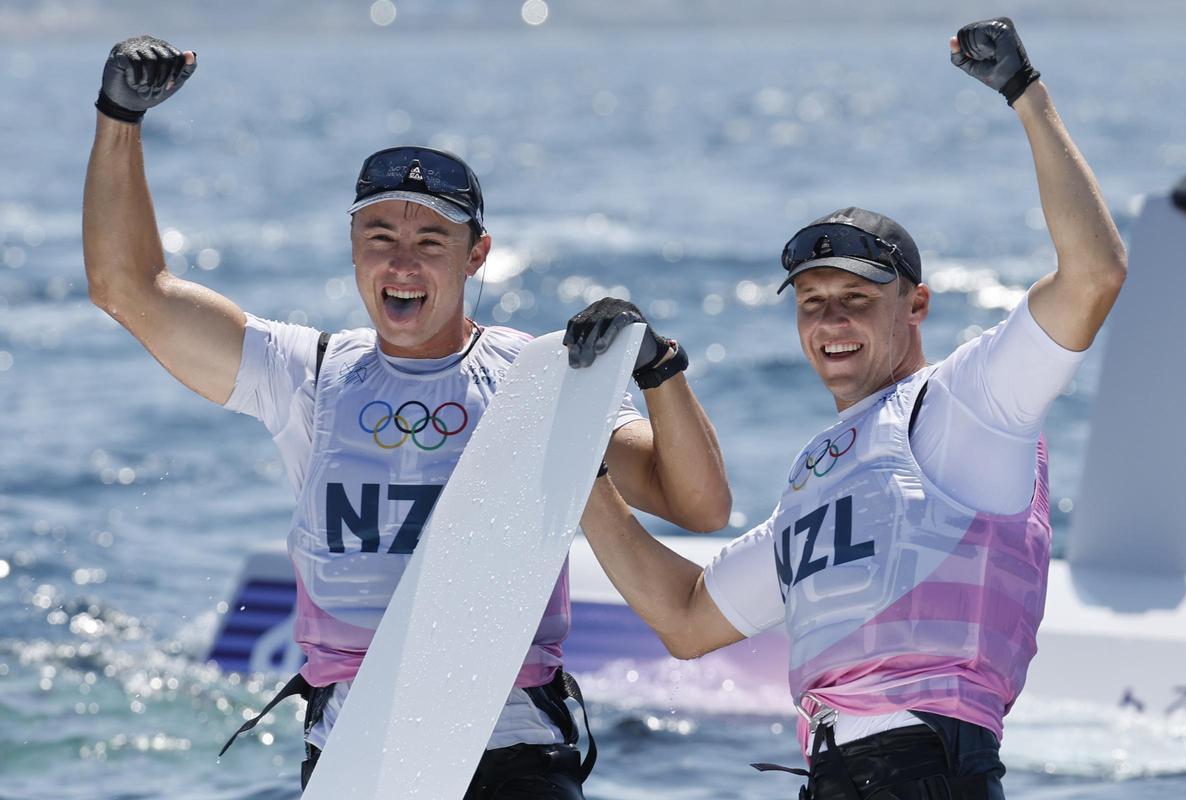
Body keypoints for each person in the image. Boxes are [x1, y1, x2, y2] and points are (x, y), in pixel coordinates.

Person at [82, 36, 731, 799]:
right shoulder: (307, 374)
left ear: (477, 255)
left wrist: (658, 369)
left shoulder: (538, 383)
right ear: (353, 249)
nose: (402, 265)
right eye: (380, 238)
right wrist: (119, 117)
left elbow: (698, 505)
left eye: (431, 241)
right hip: (356, 749)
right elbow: (129, 290)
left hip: (515, 744)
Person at [578, 17, 1125, 800]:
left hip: (926, 765)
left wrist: (1023, 93)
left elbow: (1095, 276)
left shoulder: (970, 401)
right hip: (835, 776)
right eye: (811, 303)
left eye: (856, 300)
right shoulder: (817, 475)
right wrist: (584, 471)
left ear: (917, 305)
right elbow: (688, 618)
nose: (830, 323)